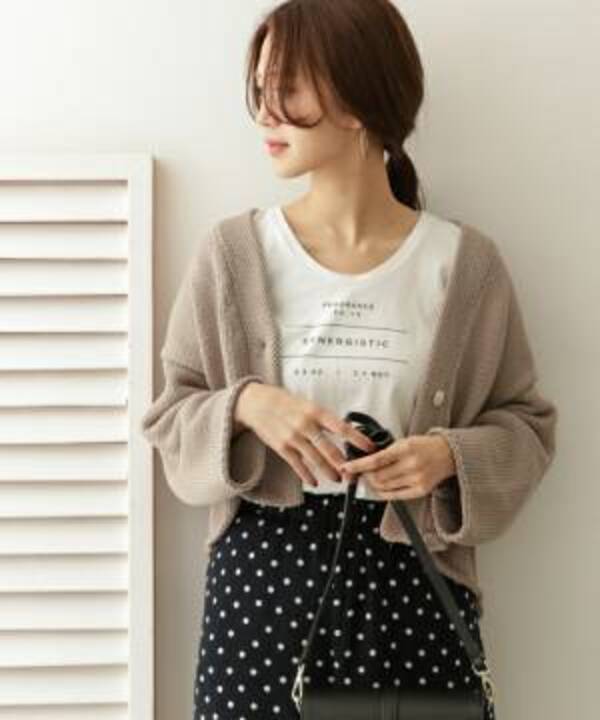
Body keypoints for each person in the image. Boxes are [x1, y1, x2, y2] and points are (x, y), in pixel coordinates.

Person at [141, 1, 558, 718]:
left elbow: (528, 426)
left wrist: (448, 456)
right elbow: (169, 415)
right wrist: (247, 404)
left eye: (288, 88)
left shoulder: (464, 266)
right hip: (262, 589)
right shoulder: (233, 255)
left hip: (415, 587)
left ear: (358, 101)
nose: (265, 112)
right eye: (260, 88)